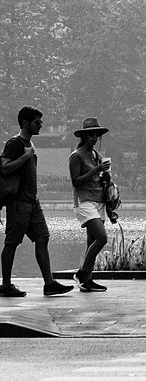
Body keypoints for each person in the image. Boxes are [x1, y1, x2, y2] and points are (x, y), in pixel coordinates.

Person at [0, 107, 73, 298]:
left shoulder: (29, 143)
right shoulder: (15, 144)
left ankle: (49, 283)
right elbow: (4, 168)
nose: (41, 125)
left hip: (32, 202)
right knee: (12, 242)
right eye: (37, 122)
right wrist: (25, 157)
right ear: (25, 123)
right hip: (18, 202)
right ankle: (5, 284)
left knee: (43, 237)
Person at [68, 118, 113, 293]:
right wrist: (96, 170)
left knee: (92, 241)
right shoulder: (76, 156)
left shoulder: (96, 155)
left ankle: (88, 280)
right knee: (102, 238)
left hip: (99, 200)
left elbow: (99, 178)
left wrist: (105, 176)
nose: (94, 137)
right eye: (91, 134)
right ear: (84, 136)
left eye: (97, 134)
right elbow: (75, 181)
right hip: (84, 201)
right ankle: (82, 273)